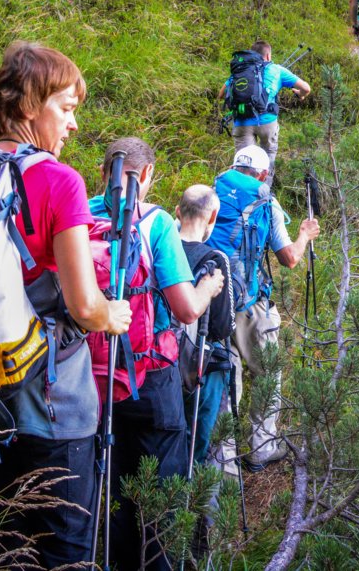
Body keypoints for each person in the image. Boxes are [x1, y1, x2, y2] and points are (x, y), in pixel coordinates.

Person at [0, 41, 132, 569]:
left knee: (11, 551)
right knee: (65, 555)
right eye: (66, 108)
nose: (73, 124)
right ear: (30, 106)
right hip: (52, 409)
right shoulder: (58, 180)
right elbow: (84, 305)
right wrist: (113, 314)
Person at [88, 137, 224, 571]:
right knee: (159, 492)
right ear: (147, 174)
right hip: (150, 378)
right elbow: (186, 310)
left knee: (111, 484)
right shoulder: (157, 222)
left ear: (103, 172)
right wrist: (208, 288)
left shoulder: (81, 214)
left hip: (91, 378)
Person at [206, 145, 320, 472]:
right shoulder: (267, 203)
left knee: (226, 377)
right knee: (268, 372)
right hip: (250, 304)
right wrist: (304, 234)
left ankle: (222, 461)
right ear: (263, 174)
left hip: (209, 300)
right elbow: (289, 258)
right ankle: (261, 448)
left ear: (234, 167)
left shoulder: (210, 194)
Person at [175, 185, 235, 467]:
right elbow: (224, 326)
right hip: (201, 365)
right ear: (212, 217)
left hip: (161, 362)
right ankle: (201, 491)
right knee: (202, 443)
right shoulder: (215, 260)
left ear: (178, 212)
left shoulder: (158, 249)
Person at [217, 40, 311, 176]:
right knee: (268, 156)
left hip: (242, 121)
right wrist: (300, 94)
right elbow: (306, 88)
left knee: (244, 163)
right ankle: (264, 186)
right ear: (268, 55)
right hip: (267, 121)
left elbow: (221, 95)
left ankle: (244, 186)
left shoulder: (240, 71)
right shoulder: (277, 70)